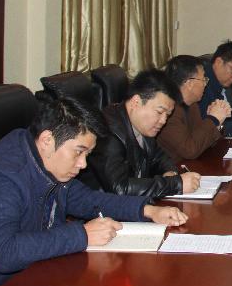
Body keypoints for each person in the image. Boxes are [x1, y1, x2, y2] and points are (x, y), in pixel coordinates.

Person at [0, 98, 188, 286]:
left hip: (13, 284)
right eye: (79, 152)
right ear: (48, 140)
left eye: (88, 154)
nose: (83, 164)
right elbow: (5, 254)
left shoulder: (44, 160)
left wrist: (147, 210)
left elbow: (87, 200)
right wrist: (82, 235)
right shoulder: (2, 177)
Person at [81, 69, 201, 197]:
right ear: (136, 102)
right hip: (101, 207)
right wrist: (174, 184)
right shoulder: (107, 133)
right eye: (160, 112)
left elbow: (159, 157)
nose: (163, 121)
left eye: (167, 115)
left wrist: (170, 172)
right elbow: (120, 188)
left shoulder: (141, 125)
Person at [158, 54, 232, 161]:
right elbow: (190, 150)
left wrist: (218, 123)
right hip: (172, 169)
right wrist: (213, 119)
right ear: (189, 83)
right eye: (203, 79)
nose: (205, 84)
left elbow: (201, 143)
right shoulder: (169, 110)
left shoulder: (192, 105)